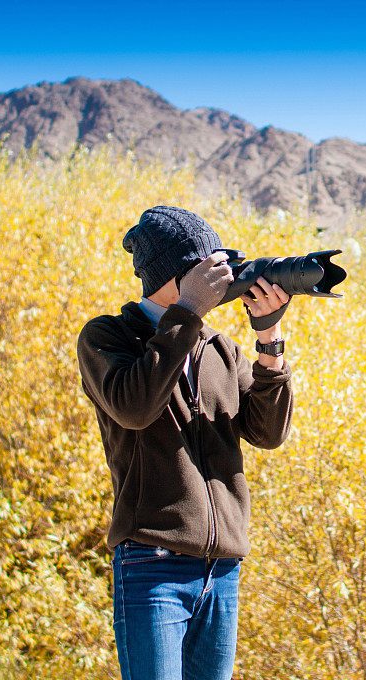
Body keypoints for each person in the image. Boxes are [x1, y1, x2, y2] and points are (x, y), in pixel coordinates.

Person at [76, 205, 294, 680]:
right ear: (177, 274)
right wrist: (188, 313)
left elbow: (268, 433)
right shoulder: (108, 336)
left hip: (222, 572)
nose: (225, 277)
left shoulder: (220, 348)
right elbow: (134, 407)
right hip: (152, 566)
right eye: (211, 266)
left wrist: (270, 339)